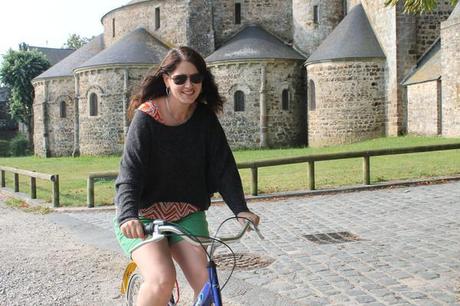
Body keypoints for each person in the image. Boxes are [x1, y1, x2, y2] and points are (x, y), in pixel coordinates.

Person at [113, 46, 260, 306]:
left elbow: (223, 166)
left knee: (208, 287)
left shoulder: (204, 119)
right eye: (180, 78)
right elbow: (130, 172)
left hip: (187, 214)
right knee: (161, 280)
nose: (188, 85)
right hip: (143, 217)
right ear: (167, 80)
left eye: (196, 78)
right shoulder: (146, 118)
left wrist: (240, 209)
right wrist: (128, 215)